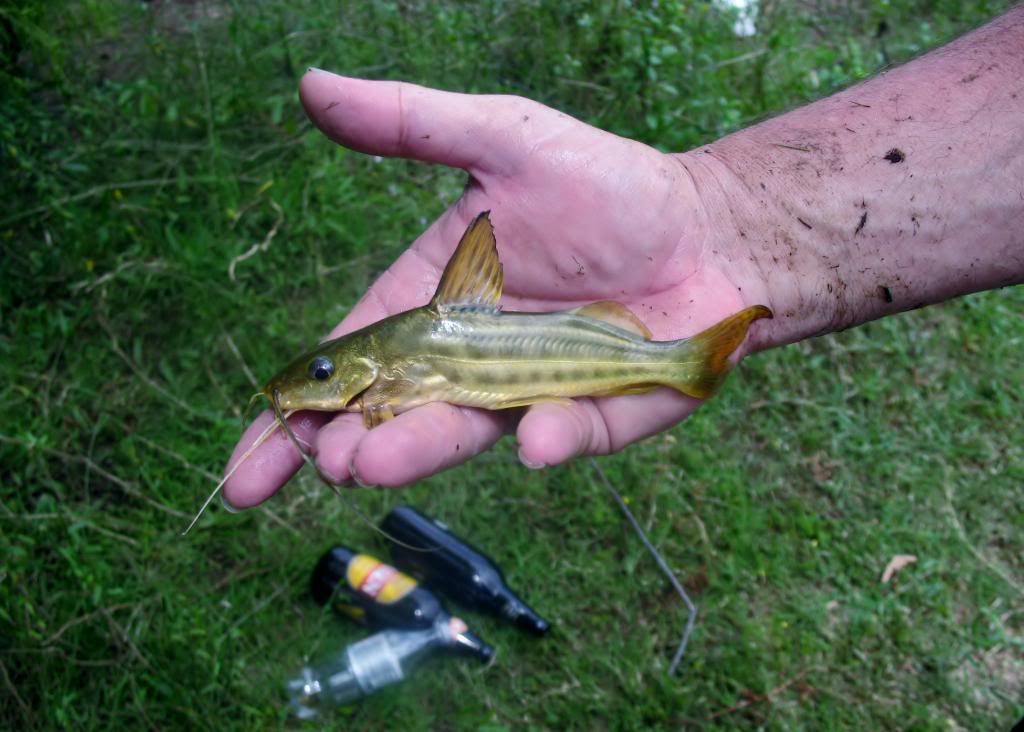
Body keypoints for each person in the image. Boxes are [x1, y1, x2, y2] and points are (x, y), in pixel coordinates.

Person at [222, 7, 1023, 510]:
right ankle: (676, 359)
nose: (316, 381)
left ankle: (680, 360)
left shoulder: (388, 367)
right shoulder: (385, 372)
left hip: (543, 341)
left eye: (323, 373)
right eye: (320, 375)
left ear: (363, 367)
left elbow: (438, 327)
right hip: (530, 341)